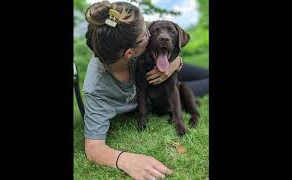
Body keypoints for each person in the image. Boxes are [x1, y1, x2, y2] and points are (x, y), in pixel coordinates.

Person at [82, 1, 208, 179]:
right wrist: (124, 159)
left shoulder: (130, 38)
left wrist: (175, 63)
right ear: (130, 54)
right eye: (146, 35)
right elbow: (93, 147)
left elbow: (168, 42)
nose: (153, 37)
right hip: (160, 89)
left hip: (165, 71)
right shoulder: (97, 89)